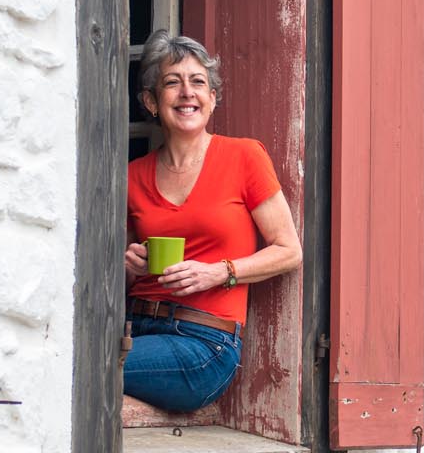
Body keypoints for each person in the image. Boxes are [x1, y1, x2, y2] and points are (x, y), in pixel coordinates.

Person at [121, 30, 301, 413]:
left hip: (204, 343)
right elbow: (119, 277)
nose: (187, 92)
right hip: (133, 327)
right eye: (172, 82)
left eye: (198, 82)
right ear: (151, 101)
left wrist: (219, 272)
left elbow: (289, 252)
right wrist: (130, 267)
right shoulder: (132, 176)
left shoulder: (244, 157)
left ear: (212, 99)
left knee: (90, 366)